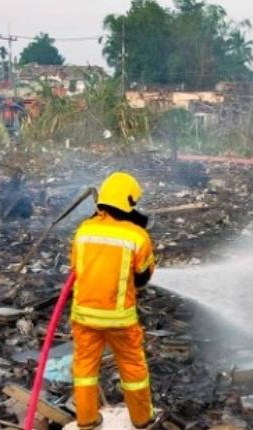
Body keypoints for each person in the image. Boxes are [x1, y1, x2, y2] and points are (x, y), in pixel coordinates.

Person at [70, 172, 156, 430]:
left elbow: (76, 268)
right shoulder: (137, 236)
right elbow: (142, 278)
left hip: (84, 316)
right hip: (120, 319)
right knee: (133, 369)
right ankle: (141, 419)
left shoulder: (83, 231)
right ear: (128, 201)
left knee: (84, 369)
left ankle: (86, 420)